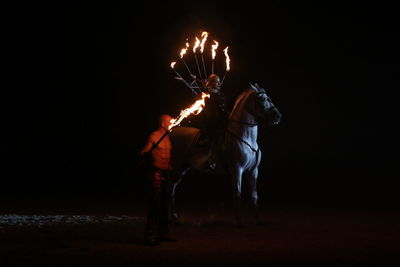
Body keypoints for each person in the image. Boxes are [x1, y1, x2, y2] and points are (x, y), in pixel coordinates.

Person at [140, 114, 176, 246]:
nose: (172, 123)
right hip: (156, 173)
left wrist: (171, 167)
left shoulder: (168, 137)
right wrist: (144, 155)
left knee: (166, 205)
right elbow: (145, 150)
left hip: (167, 173)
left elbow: (168, 156)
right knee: (155, 205)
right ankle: (150, 236)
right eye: (169, 121)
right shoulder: (154, 136)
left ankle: (163, 234)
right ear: (162, 123)